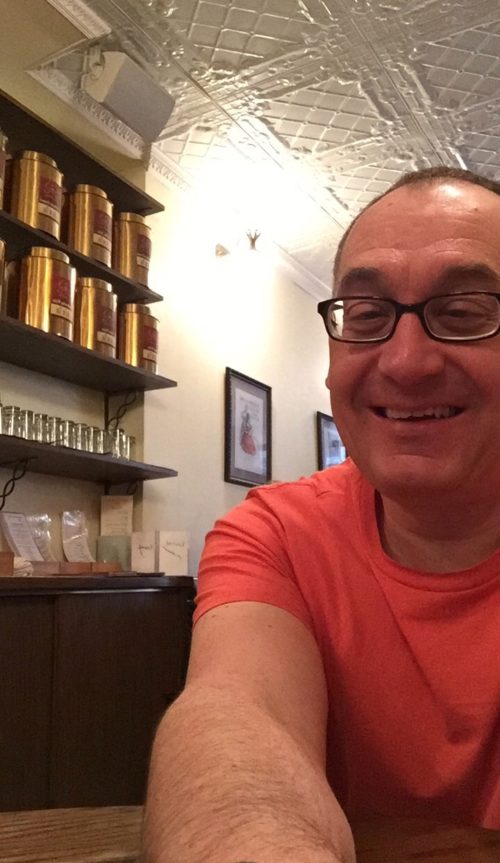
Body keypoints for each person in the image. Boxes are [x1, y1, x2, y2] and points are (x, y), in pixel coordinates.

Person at [142, 166, 500, 862]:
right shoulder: (275, 532)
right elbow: (239, 712)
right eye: (365, 317)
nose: (406, 362)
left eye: (463, 312)